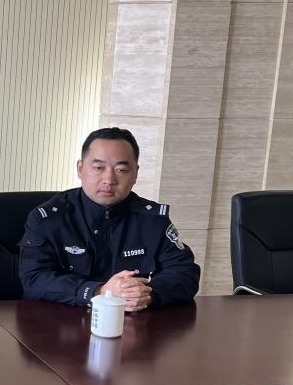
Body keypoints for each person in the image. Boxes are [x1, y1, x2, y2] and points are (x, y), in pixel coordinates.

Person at [18, 127, 200, 310]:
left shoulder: (152, 220)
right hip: (60, 322)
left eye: (121, 169)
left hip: (131, 322)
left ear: (135, 173)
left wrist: (148, 294)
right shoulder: (48, 219)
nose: (109, 179)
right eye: (99, 168)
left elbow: (185, 273)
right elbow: (34, 279)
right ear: (80, 169)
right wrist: (99, 291)